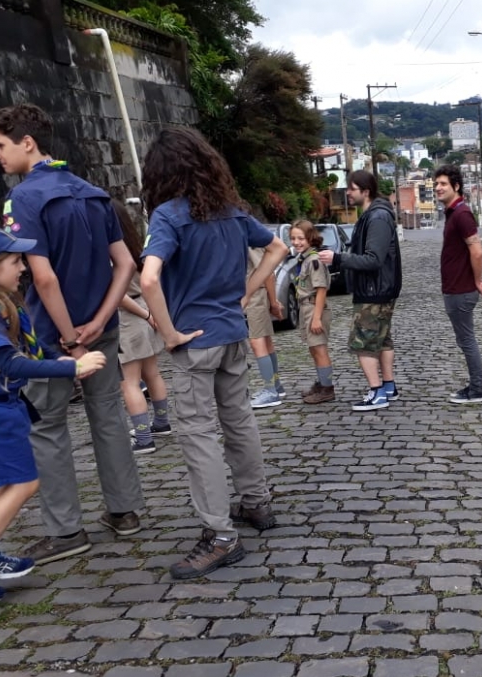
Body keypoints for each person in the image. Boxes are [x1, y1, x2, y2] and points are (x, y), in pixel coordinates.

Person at [0, 103, 144, 564]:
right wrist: (98, 321)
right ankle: (125, 511)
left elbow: (44, 279)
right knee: (108, 415)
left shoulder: (22, 201)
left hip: (49, 336)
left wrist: (71, 338)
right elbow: (126, 265)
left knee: (48, 428)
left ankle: (65, 531)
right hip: (105, 327)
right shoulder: (93, 193)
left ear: (27, 142)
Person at [139, 127, 288, 580]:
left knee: (198, 433)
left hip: (194, 340)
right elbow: (277, 247)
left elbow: (148, 280)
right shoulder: (231, 211)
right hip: (231, 334)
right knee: (238, 419)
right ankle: (256, 502)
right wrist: (243, 292)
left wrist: (167, 333)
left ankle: (220, 536)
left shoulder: (168, 216)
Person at [0, 228, 107, 602]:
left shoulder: (2, 303)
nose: (22, 268)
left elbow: (29, 349)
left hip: (4, 409)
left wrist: (57, 358)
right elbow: (11, 362)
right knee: (24, 482)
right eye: (14, 261)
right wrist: (71, 370)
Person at [321, 170, 402, 412]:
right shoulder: (375, 214)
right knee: (383, 339)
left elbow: (373, 260)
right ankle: (388, 386)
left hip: (373, 289)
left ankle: (377, 392)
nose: (347, 193)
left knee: (363, 343)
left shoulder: (376, 217)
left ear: (365, 191)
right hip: (380, 288)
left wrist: (337, 258)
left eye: (352, 189)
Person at [113, 200, 173, 454]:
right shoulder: (136, 246)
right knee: (153, 373)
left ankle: (143, 437)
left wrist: (145, 315)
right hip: (145, 312)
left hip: (130, 318)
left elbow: (118, 295)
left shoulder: (111, 253)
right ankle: (161, 421)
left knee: (129, 382)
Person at [434, 164, 482, 404]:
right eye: (436, 184)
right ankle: (475, 386)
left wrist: (476, 280)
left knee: (467, 340)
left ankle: (477, 389)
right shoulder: (453, 213)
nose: (437, 188)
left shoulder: (462, 214)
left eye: (443, 184)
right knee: (465, 340)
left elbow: (477, 251)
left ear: (456, 186)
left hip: (461, 289)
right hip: (455, 288)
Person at [290, 220, 335, 404]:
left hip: (314, 308)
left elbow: (321, 289)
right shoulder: (305, 258)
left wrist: (316, 318)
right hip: (306, 307)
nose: (296, 242)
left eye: (301, 238)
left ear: (310, 238)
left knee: (320, 349)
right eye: (293, 238)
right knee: (314, 349)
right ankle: (321, 382)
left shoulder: (314, 260)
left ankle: (327, 389)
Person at [246, 245, 287, 409]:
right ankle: (276, 386)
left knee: (257, 342)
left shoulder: (249, 240)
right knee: (266, 341)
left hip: (255, 296)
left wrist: (273, 302)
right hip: (255, 295)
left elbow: (268, 273)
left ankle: (271, 391)